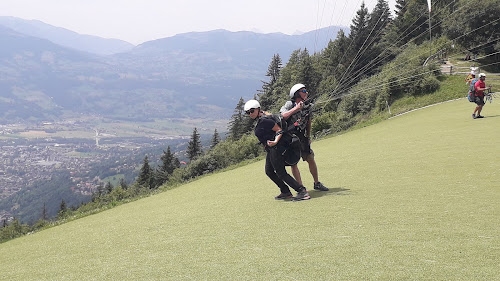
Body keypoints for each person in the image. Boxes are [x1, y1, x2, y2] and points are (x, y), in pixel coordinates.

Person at [245, 100, 310, 201]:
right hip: (271, 149)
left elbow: (279, 130)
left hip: (276, 148)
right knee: (269, 171)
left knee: (281, 172)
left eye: (252, 111)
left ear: (258, 109)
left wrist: (275, 141)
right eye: (248, 112)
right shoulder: (262, 117)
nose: (250, 114)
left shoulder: (264, 120)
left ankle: (302, 191)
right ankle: (285, 191)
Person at [280, 84, 329, 192]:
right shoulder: (289, 104)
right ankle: (301, 188)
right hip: (291, 139)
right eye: (304, 91)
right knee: (294, 163)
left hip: (302, 137)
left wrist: (308, 136)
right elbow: (283, 116)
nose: (306, 92)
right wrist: (296, 108)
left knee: (310, 158)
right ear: (297, 93)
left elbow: (308, 122)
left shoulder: (307, 106)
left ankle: (317, 183)